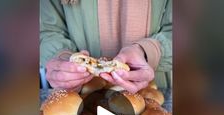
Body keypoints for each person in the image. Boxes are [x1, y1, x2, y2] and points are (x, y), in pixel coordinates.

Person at [40, 0, 172, 93]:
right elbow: (46, 29)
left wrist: (149, 51)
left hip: (156, 90)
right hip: (77, 96)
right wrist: (62, 60)